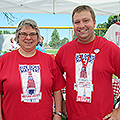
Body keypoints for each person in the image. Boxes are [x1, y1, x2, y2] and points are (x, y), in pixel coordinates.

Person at [55, 5, 120, 120]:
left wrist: (119, 110)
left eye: (86, 21)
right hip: (73, 116)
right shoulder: (64, 51)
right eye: (77, 22)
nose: (81, 26)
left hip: (103, 116)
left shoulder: (110, 49)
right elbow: (54, 80)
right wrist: (61, 103)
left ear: (94, 23)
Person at [0, 19, 65, 120]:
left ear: (37, 37)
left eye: (32, 34)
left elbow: (57, 89)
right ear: (18, 36)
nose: (28, 37)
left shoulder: (48, 60)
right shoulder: (4, 60)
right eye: (24, 34)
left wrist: (58, 113)